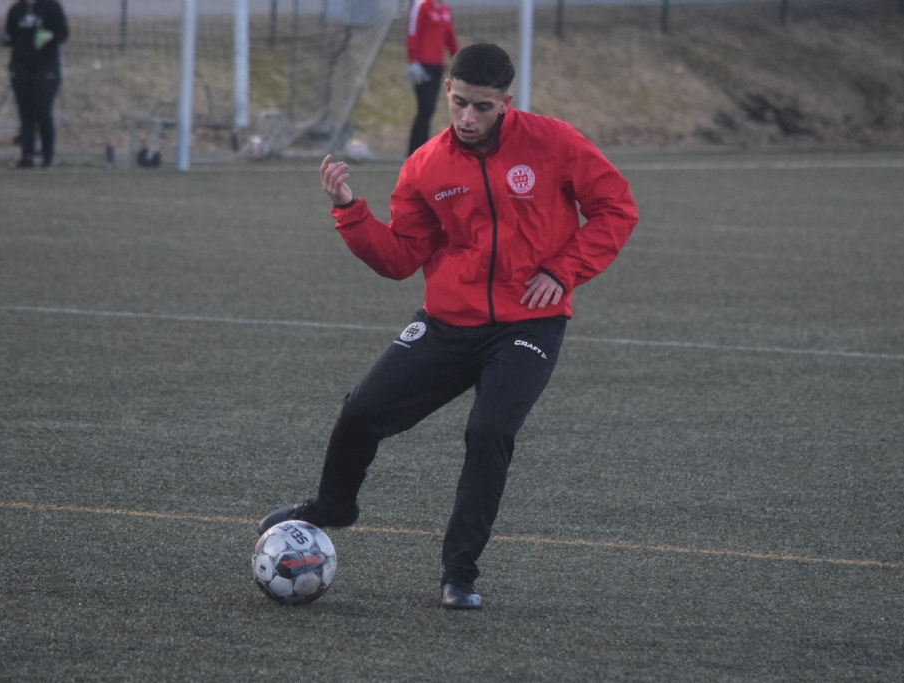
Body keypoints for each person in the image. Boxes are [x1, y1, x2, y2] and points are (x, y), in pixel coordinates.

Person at [258, 43, 639, 610]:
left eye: (482, 107)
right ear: (448, 93)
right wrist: (350, 210)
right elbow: (400, 258)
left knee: (488, 432)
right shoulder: (425, 165)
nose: (467, 117)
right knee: (361, 411)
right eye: (459, 103)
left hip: (529, 324)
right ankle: (334, 506)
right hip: (448, 323)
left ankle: (459, 572)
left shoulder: (554, 142)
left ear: (506, 102)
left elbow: (616, 208)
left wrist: (563, 270)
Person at [3, 0, 68, 169]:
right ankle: (27, 156)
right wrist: (2, 39)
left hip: (46, 66)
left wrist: (50, 36)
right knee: (25, 112)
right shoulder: (16, 9)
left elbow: (63, 33)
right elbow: (11, 36)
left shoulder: (51, 7)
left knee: (43, 109)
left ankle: (47, 156)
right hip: (21, 66)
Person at [405, 0, 457, 156]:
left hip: (437, 66)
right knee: (425, 108)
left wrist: (459, 58)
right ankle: (415, 151)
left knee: (430, 109)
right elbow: (413, 32)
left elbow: (449, 36)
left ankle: (422, 149)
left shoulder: (445, 9)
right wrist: (414, 61)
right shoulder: (421, 6)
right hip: (423, 65)